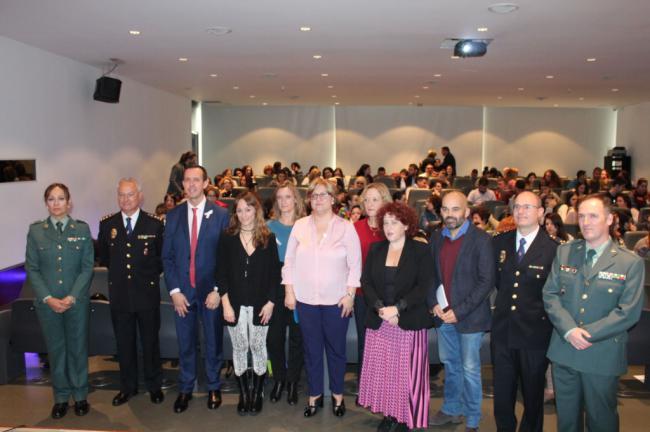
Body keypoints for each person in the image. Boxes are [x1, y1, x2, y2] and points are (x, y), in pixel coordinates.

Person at [543, 194, 645, 432]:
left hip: (601, 354)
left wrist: (585, 334)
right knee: (567, 421)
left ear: (610, 219)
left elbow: (628, 312)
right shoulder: (565, 252)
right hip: (564, 350)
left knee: (602, 420)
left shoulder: (629, 262)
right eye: (581, 216)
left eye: (593, 216)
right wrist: (569, 330)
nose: (585, 222)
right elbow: (550, 294)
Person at [282, 178, 362, 418]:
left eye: (323, 195)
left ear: (333, 198)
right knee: (312, 350)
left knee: (336, 351)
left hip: (337, 302)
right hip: (306, 300)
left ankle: (338, 395)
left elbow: (355, 265)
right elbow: (289, 262)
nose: (318, 199)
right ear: (309, 199)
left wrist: (350, 295)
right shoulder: (300, 225)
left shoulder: (346, 227)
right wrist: (289, 291)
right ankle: (314, 395)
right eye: (314, 195)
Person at [358, 201, 435, 431]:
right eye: (386, 222)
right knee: (384, 374)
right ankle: (390, 414)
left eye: (395, 222)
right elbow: (366, 282)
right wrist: (380, 308)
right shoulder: (376, 249)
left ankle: (405, 417)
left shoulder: (420, 250)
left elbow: (423, 287)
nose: (389, 227)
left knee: (406, 377)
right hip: (381, 319)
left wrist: (397, 309)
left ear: (406, 224)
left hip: (408, 319)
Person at [162, 165, 230, 413]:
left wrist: (217, 289)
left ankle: (213, 386)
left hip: (210, 291)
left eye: (196, 180)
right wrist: (174, 291)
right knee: (185, 343)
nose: (191, 184)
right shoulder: (173, 215)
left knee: (213, 341)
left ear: (205, 183)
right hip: (183, 293)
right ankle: (186, 388)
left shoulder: (221, 215)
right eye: (187, 180)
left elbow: (226, 257)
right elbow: (167, 258)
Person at [25, 183, 94, 419]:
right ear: (46, 203)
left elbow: (87, 268)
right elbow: (32, 269)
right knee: (56, 351)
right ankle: (61, 398)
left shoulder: (82, 230)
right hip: (48, 304)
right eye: (51, 199)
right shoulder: (36, 231)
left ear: (69, 202)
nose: (56, 203)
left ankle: (81, 395)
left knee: (77, 349)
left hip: (76, 302)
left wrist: (72, 296)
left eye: (61, 198)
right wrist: (48, 298)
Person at [491, 191, 559, 432]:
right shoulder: (499, 242)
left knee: (532, 397)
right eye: (517, 206)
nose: (521, 211)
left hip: (534, 335)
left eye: (528, 207)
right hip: (503, 332)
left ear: (541, 213)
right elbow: (496, 283)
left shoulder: (553, 249)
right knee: (502, 396)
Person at [428, 191, 495, 432]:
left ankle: (473, 418)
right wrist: (432, 303)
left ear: (466, 212)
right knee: (451, 365)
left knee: (469, 368)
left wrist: (460, 311)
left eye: (455, 209)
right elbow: (431, 275)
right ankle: (452, 409)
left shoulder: (481, 240)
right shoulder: (436, 238)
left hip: (470, 318)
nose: (449, 214)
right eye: (445, 209)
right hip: (443, 316)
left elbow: (486, 281)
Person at [97, 178, 165, 406]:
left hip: (146, 295)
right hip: (120, 297)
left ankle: (154, 385)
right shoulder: (108, 225)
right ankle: (128, 387)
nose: (125, 200)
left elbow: (160, 261)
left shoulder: (154, 224)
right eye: (121, 195)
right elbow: (105, 259)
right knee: (124, 344)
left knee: (150, 343)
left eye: (130, 194)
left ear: (140, 196)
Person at [217, 192, 280, 415]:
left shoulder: (268, 238)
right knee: (240, 347)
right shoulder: (227, 237)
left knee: (258, 346)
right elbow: (221, 274)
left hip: (261, 304)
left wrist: (271, 302)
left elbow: (275, 274)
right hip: (234, 304)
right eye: (240, 210)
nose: (244, 215)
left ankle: (258, 392)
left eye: (248, 209)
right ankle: (244, 394)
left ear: (257, 211)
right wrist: (225, 304)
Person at [266, 182, 306, 406]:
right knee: (274, 337)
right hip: (274, 287)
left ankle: (292, 382)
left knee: (298, 338)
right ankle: (279, 379)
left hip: (300, 286)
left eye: (288, 197)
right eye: (279, 197)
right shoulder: (268, 227)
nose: (283, 202)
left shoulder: (305, 226)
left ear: (295, 200)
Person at [353, 183, 393, 397]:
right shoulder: (355, 228)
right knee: (364, 343)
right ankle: (365, 390)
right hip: (362, 295)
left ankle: (385, 391)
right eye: (366, 199)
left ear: (385, 201)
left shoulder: (392, 226)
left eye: (375, 199)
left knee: (386, 346)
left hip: (389, 296)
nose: (369, 204)